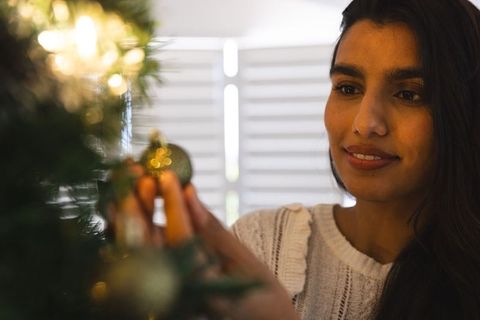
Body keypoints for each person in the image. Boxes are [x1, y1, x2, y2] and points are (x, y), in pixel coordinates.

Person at [112, 0, 480, 318]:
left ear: (465, 112)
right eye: (348, 88)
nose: (366, 124)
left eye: (409, 95)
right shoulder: (264, 243)